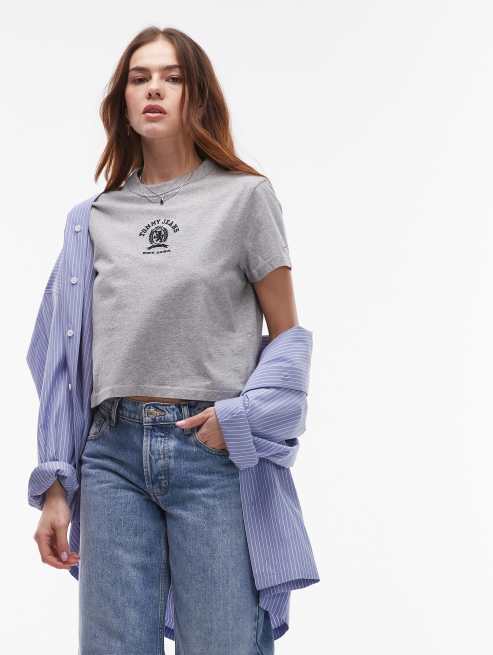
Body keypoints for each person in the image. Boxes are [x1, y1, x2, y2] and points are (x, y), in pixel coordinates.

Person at [29, 25, 316, 654]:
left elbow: (288, 340)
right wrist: (56, 486)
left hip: (211, 454)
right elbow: (61, 365)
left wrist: (241, 421)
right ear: (123, 101)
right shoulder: (93, 220)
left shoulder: (245, 198)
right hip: (111, 459)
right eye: (140, 78)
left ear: (198, 96)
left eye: (172, 77)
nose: (154, 89)